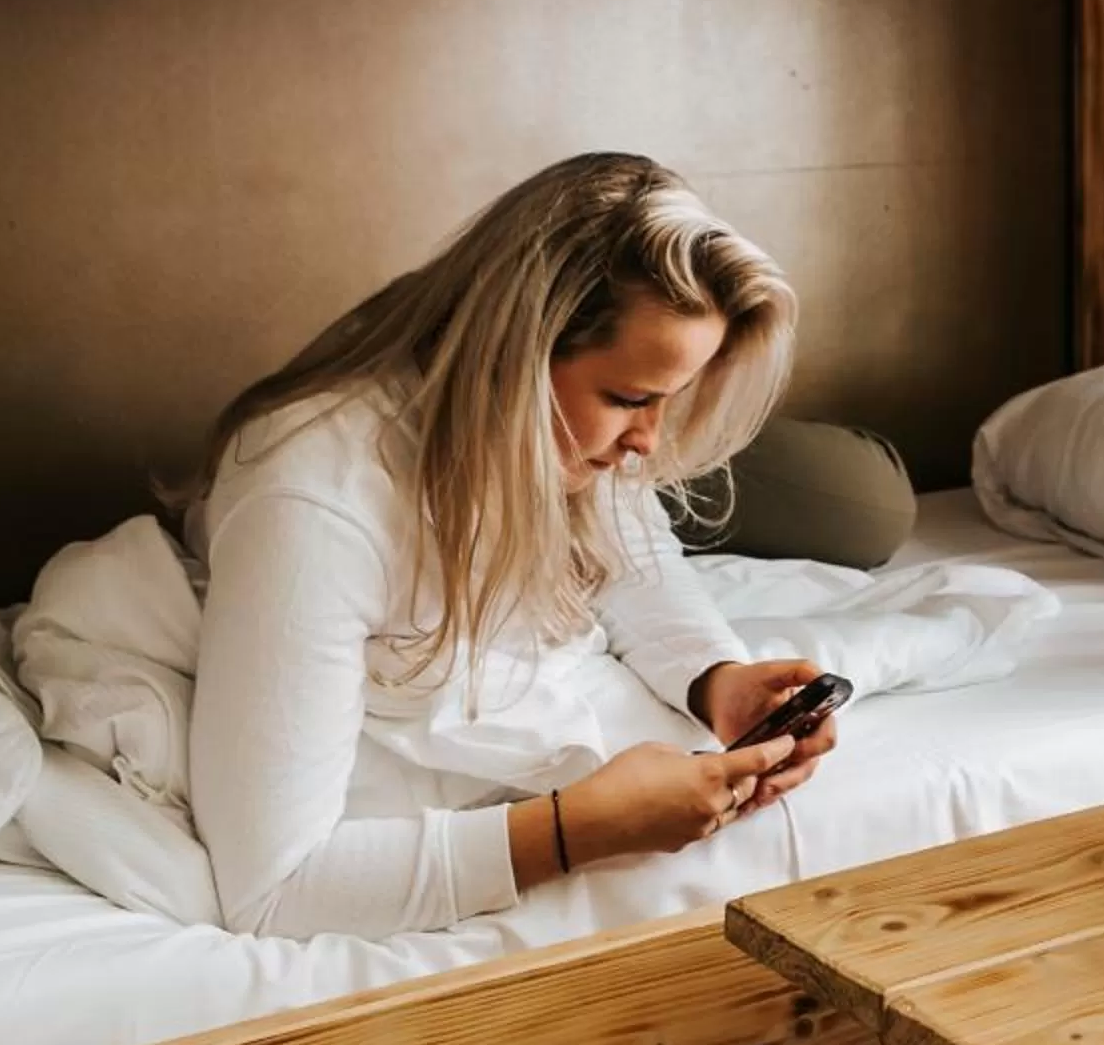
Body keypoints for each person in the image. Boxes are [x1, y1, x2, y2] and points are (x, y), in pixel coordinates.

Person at [171, 150, 838, 939]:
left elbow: (632, 557)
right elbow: (274, 889)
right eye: (629, 399)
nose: (648, 444)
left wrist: (717, 679)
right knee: (859, 504)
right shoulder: (315, 505)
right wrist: (576, 830)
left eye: (671, 400)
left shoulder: (555, 433)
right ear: (517, 355)